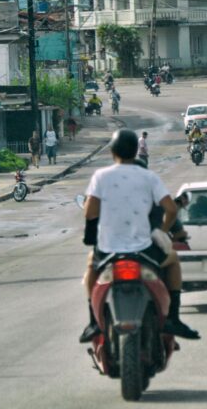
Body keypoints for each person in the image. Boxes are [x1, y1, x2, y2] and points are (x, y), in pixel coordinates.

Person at [80, 129, 199, 342]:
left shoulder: (101, 176)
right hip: (144, 250)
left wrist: (91, 235)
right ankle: (173, 317)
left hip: (108, 250)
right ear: (137, 151)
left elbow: (89, 212)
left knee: (91, 265)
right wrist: (162, 232)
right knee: (173, 261)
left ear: (112, 151)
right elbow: (171, 209)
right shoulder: (149, 177)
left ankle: (92, 322)